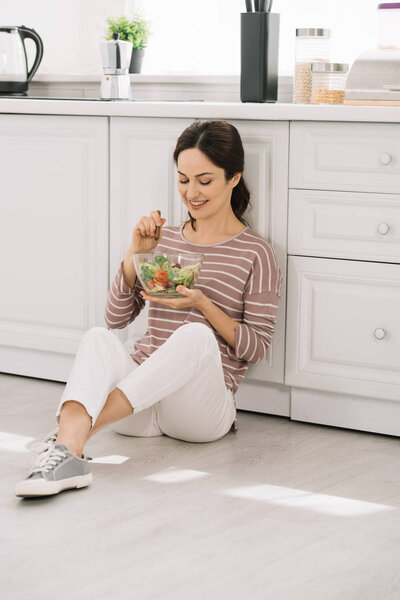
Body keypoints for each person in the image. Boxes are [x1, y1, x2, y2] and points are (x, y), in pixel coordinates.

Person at [15, 119, 283, 498]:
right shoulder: (164, 237)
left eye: (205, 181)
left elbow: (255, 348)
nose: (192, 193)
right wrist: (135, 255)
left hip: (199, 414)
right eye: (183, 179)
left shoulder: (256, 252)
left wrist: (201, 302)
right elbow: (115, 319)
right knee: (96, 339)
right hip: (137, 410)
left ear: (233, 177)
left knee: (194, 334)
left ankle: (69, 439)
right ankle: (68, 458)